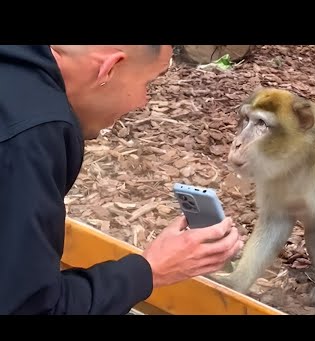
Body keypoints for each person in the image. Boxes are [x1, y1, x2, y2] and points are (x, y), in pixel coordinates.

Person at [0, 45, 243, 315]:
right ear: (108, 69)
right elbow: (29, 308)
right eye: (147, 83)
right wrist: (150, 270)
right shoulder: (33, 136)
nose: (143, 101)